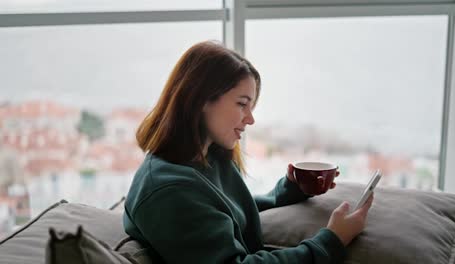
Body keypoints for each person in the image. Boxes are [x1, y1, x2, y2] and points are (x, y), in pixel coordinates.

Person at [123, 40, 374, 263]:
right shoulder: (168, 192)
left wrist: (289, 190)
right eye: (242, 104)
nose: (250, 119)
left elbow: (222, 215)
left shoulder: (207, 158)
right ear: (200, 100)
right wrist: (331, 241)